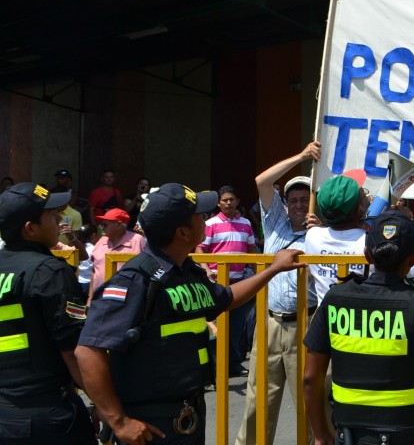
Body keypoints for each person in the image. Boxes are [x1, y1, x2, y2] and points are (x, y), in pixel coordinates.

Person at [76, 182, 304, 445]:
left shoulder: (188, 273)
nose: (205, 220)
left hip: (189, 411)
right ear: (183, 233)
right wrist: (118, 421)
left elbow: (226, 298)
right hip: (150, 422)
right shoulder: (135, 282)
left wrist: (272, 270)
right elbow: (87, 351)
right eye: (199, 216)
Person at [303, 212, 414, 445]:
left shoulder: (335, 299)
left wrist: (320, 435)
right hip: (412, 437)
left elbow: (310, 378)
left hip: (351, 437)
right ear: (413, 259)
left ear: (367, 255)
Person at [234, 143, 321, 445]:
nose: (298, 204)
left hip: (306, 324)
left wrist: (319, 233)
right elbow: (262, 181)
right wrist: (302, 157)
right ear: (285, 204)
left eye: (304, 199)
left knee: (311, 404)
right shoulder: (275, 224)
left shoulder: (322, 233)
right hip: (270, 323)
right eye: (293, 199)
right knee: (259, 401)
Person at [0, 182, 94, 444]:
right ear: (30, 229)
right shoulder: (51, 272)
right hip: (47, 416)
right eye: (51, 216)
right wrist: (110, 410)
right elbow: (74, 350)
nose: (59, 221)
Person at [196, 185, 258, 377]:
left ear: (237, 202)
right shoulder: (211, 224)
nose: (229, 203)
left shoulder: (246, 223)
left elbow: (252, 251)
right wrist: (207, 271)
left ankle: (233, 364)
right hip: (217, 282)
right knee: (216, 326)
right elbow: (200, 250)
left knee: (236, 326)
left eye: (232, 199)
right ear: (218, 203)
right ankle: (214, 367)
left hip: (239, 282)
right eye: (225, 200)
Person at [304, 173, 370, 304]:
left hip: (327, 319)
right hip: (362, 319)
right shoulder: (371, 241)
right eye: (362, 196)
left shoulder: (312, 236)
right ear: (358, 209)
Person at [89, 207, 146, 301]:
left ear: (119, 224)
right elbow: (94, 272)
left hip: (127, 300)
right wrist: (90, 298)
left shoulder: (137, 240)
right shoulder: (101, 241)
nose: (101, 227)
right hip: (99, 299)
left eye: (105, 224)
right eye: (101, 224)